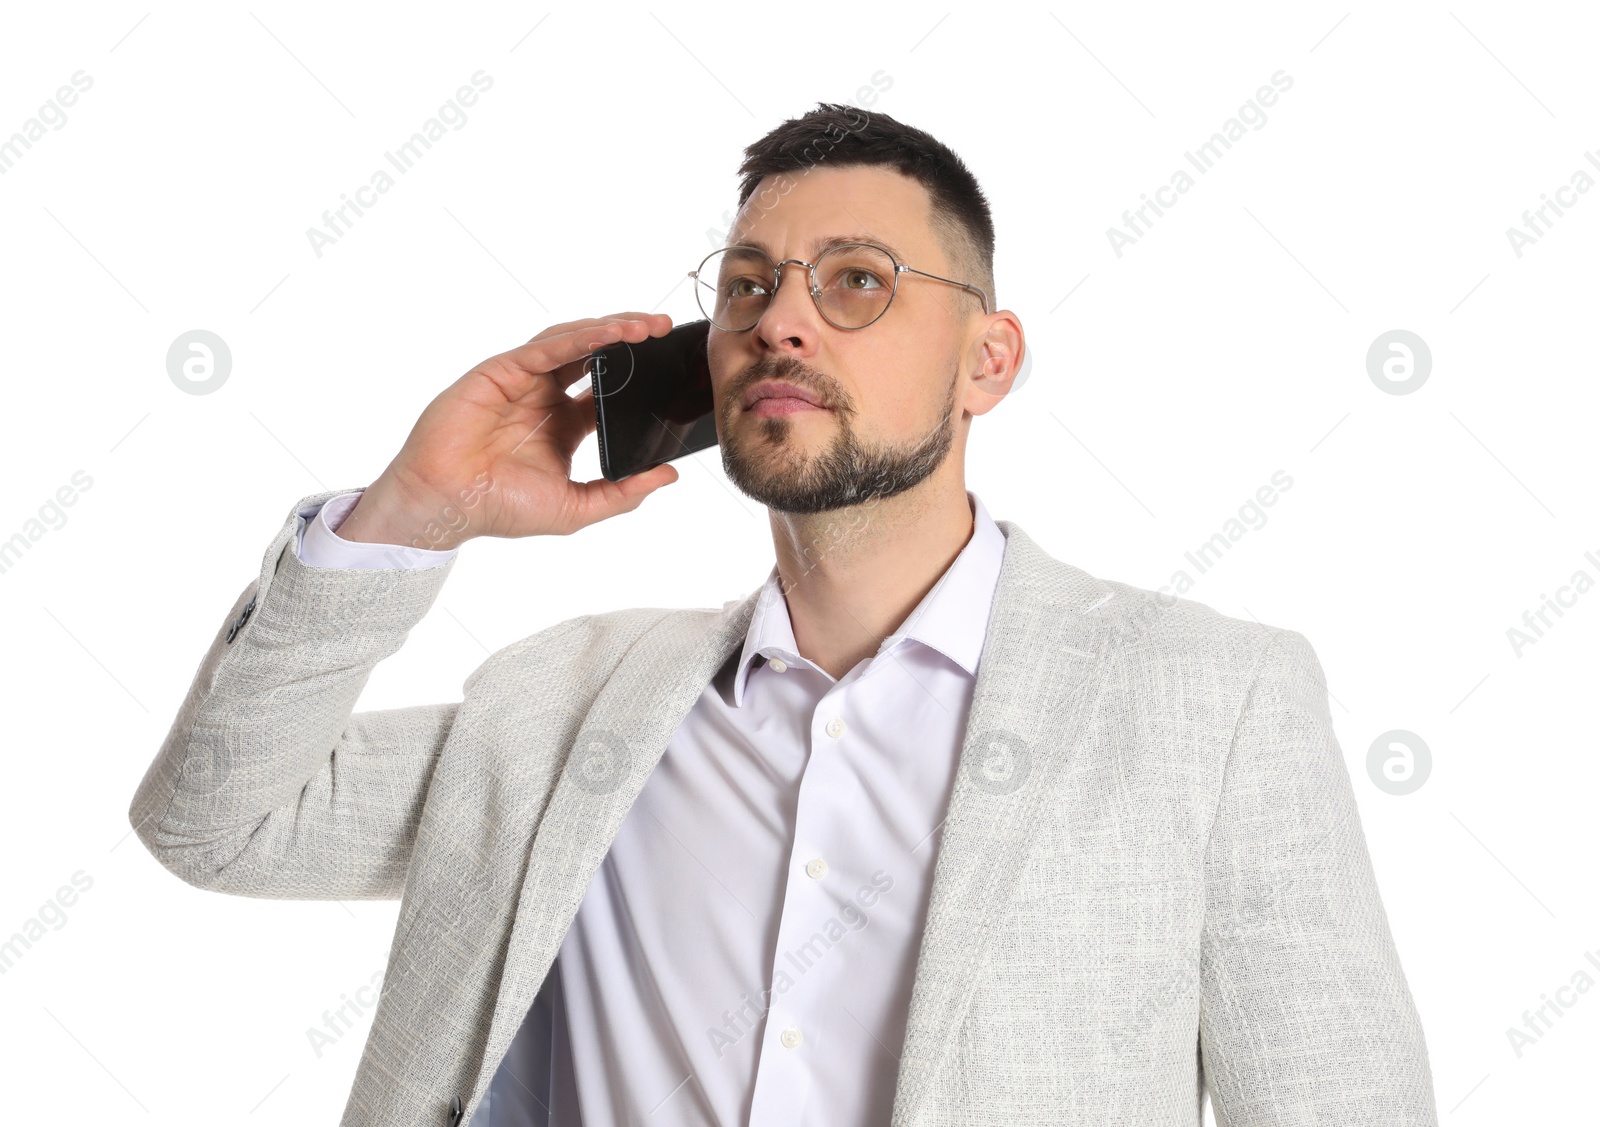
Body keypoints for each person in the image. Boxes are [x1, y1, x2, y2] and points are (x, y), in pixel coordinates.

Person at [129, 103, 1439, 1127]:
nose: (783, 323)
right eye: (749, 286)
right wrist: (412, 514)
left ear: (989, 358)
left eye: (856, 282)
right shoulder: (565, 705)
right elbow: (217, 823)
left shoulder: (1211, 703)